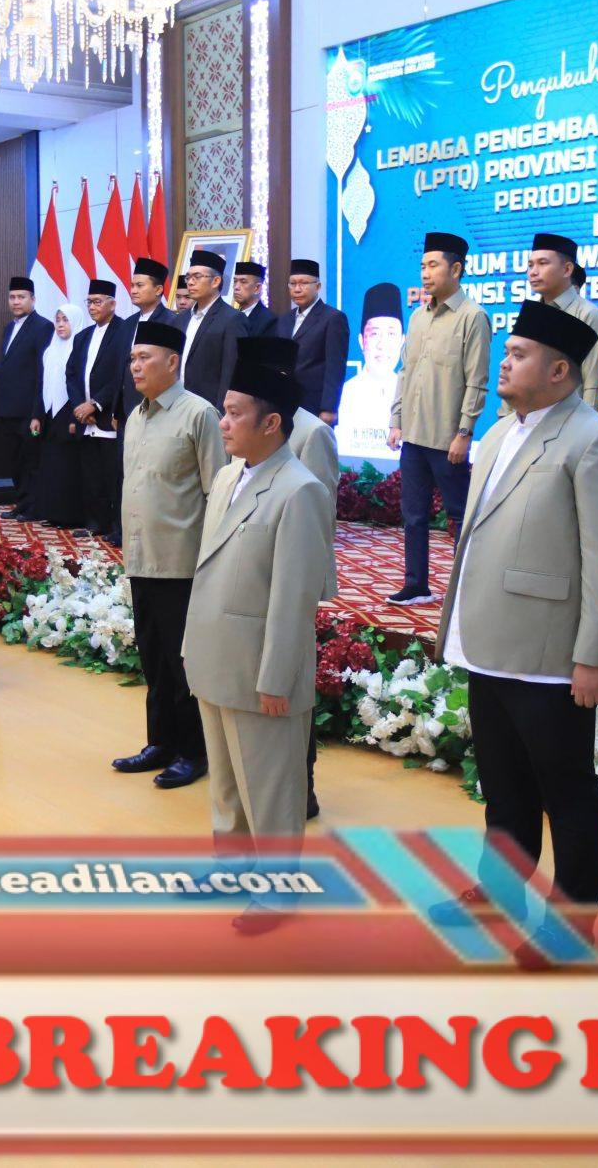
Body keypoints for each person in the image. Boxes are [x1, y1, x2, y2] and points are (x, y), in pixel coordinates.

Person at [433, 301, 598, 938]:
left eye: (519, 354)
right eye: (508, 350)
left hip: (549, 654)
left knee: (567, 792)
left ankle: (571, 924)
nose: (505, 361)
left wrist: (595, 656)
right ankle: (500, 896)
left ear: (559, 371)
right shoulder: (500, 433)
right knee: (504, 788)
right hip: (488, 641)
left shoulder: (596, 440)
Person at [185, 357, 336, 935]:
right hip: (216, 652)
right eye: (223, 411)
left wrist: (277, 676)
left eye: (234, 413)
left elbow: (294, 597)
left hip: (260, 667)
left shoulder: (300, 491)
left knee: (270, 788)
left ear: (271, 423)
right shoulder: (229, 476)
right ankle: (230, 866)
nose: (222, 423)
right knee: (226, 782)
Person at [114, 320, 225, 790]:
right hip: (142, 558)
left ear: (173, 361)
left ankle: (194, 752)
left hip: (182, 563)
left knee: (184, 665)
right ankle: (160, 742)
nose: (135, 366)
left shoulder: (199, 414)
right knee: (154, 658)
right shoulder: (136, 416)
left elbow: (218, 491)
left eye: (145, 358)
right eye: (133, 359)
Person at [238, 335, 341, 820]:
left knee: (290, 684)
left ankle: (304, 786)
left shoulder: (310, 433)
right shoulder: (245, 426)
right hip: (252, 569)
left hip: (293, 570)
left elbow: (316, 516)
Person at [387, 230, 491, 605]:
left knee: (460, 515)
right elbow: (405, 371)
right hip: (414, 436)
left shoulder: (473, 317)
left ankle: (468, 588)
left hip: (448, 438)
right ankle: (417, 584)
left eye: (433, 265)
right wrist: (396, 419)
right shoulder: (418, 317)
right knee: (413, 516)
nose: (425, 273)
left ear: (456, 269)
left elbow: (477, 381)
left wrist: (464, 432)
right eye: (423, 266)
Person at [66, 280, 129, 540]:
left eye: (98, 302)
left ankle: (116, 527)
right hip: (86, 419)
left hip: (109, 416)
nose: (92, 307)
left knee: (113, 475)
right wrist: (80, 407)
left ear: (112, 304)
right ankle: (95, 523)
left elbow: (120, 374)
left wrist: (95, 404)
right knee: (91, 475)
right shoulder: (82, 337)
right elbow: (71, 374)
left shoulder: (124, 331)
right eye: (89, 302)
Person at [524, 233, 598, 411]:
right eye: (530, 265)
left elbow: (593, 387)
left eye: (543, 263)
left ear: (567, 269)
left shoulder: (589, 316)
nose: (533, 272)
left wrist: (585, 427)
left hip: (567, 422)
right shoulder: (531, 314)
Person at [0, 276, 54, 522]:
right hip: (8, 409)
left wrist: (37, 413)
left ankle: (33, 507)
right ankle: (21, 503)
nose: (16, 302)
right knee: (15, 461)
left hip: (29, 411)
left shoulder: (43, 327)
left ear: (33, 299)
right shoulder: (9, 328)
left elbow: (43, 373)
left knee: (31, 461)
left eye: (21, 297)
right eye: (12, 297)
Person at [32, 304, 86, 529]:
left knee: (68, 468)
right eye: (58, 320)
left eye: (66, 320)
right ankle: (53, 513)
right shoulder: (50, 350)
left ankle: (70, 516)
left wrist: (75, 418)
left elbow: (80, 387)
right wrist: (36, 415)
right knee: (51, 466)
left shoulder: (80, 349)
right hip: (50, 414)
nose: (61, 325)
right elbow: (42, 385)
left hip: (70, 414)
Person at [277, 258, 349, 425]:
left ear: (318, 286)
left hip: (314, 405)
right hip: (284, 404)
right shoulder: (284, 320)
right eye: (293, 284)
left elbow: (335, 367)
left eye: (303, 283)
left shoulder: (333, 318)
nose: (297, 289)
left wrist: (329, 408)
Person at [336, 282, 403, 459]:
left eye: (391, 334)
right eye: (374, 334)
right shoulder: (346, 393)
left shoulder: (412, 392)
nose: (382, 344)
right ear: (361, 341)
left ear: (402, 340)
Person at [174, 250, 245, 407]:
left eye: (197, 277)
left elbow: (230, 372)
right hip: (178, 405)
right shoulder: (181, 319)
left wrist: (223, 412)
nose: (190, 282)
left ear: (215, 281)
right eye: (188, 277)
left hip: (210, 407)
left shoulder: (232, 319)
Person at [116, 257, 175, 436]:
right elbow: (121, 367)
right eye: (132, 285)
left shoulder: (171, 322)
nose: (133, 290)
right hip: (127, 409)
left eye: (140, 286)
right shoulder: (127, 324)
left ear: (158, 289)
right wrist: (116, 409)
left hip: (158, 407)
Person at [232, 259, 277, 337]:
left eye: (243, 282)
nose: (236, 287)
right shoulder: (230, 316)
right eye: (235, 281)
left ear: (257, 288)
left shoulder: (269, 321)